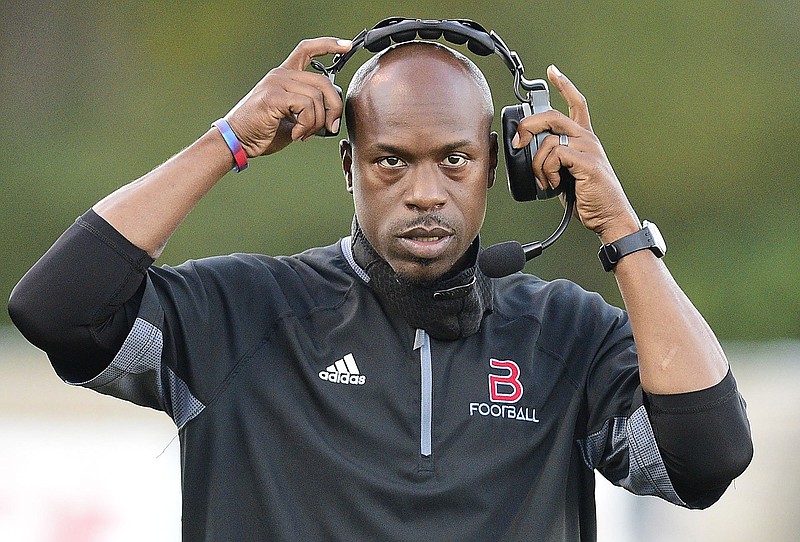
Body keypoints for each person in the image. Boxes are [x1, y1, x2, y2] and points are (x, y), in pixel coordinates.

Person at [8, 32, 752, 542]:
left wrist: (622, 230)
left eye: (455, 160)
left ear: (498, 167)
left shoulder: (568, 335)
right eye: (391, 160)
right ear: (349, 167)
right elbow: (58, 309)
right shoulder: (243, 314)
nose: (425, 192)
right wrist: (229, 138)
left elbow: (708, 458)